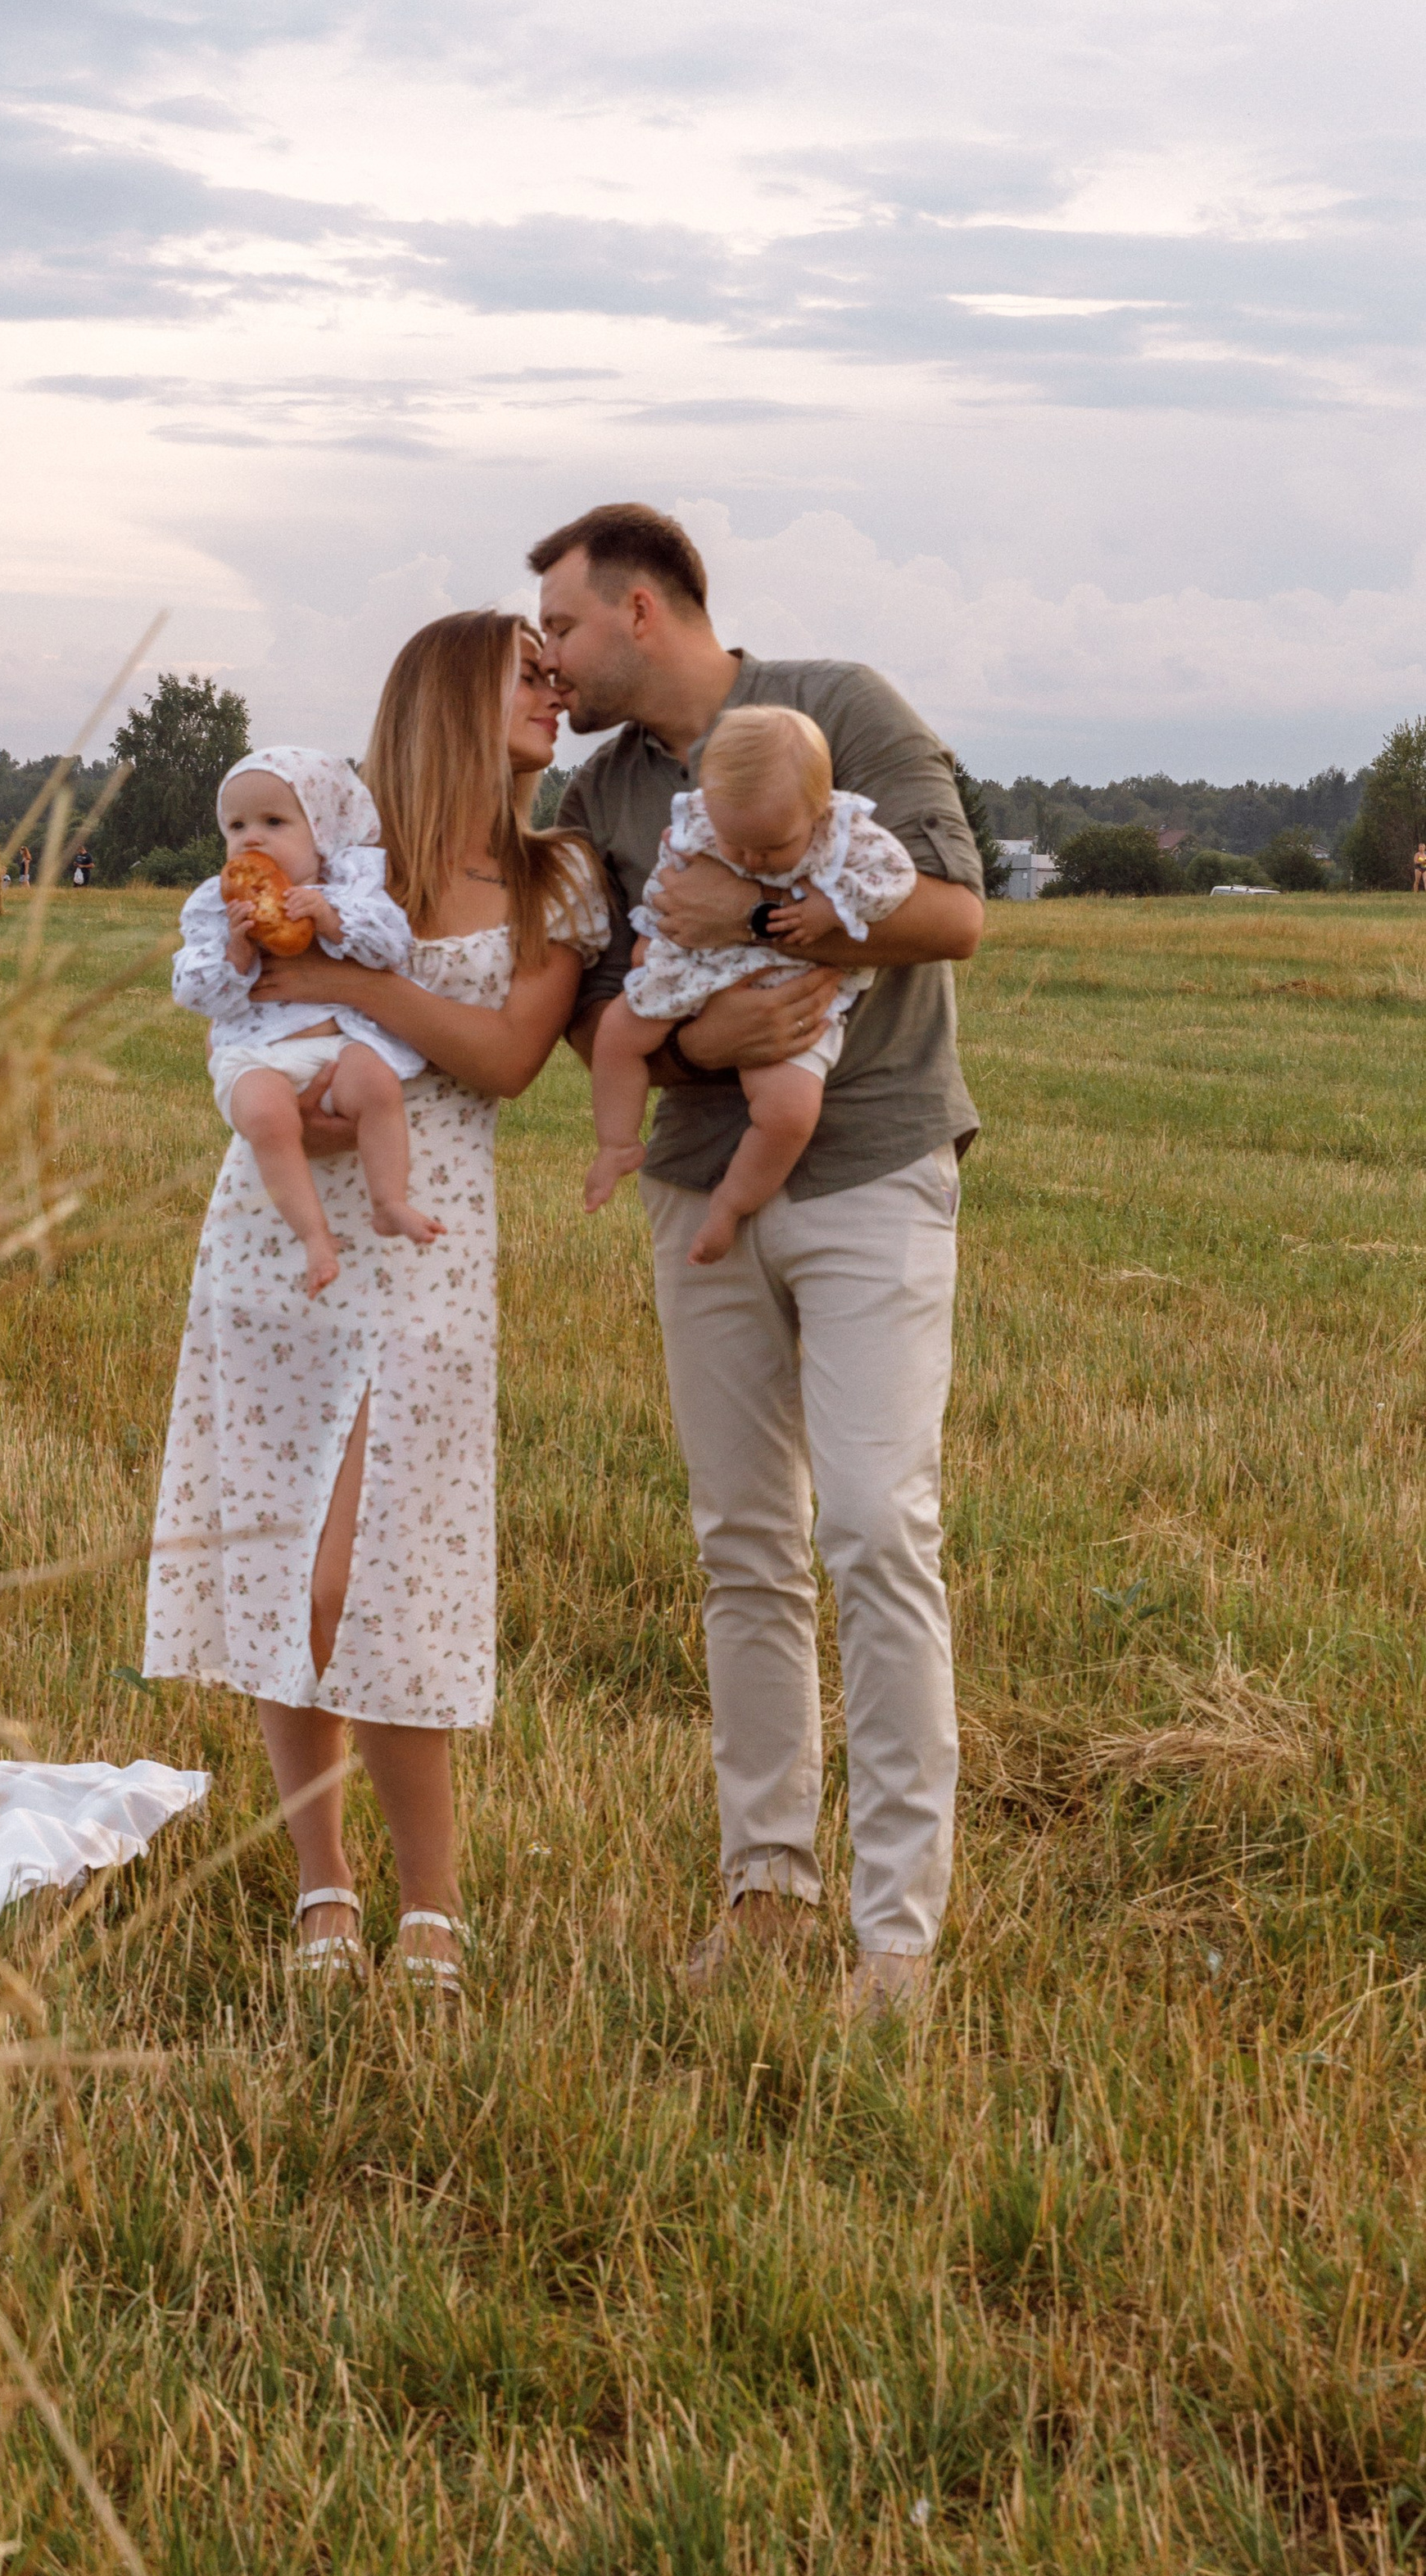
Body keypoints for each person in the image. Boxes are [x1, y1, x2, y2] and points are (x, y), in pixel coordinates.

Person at [535, 503, 984, 2019]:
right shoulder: (598, 793)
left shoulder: (840, 706)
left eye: (564, 627)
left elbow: (953, 914)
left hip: (871, 1166)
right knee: (742, 1541)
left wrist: (764, 919)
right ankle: (767, 1893)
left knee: (873, 1525)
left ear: (643, 608)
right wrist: (702, 1040)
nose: (551, 657)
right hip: (693, 1184)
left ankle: (897, 1937)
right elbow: (599, 1006)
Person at [144, 619, 606, 1998]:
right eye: (527, 673)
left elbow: (506, 1057)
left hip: (427, 1243)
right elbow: (243, 1003)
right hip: (277, 1244)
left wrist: (346, 984)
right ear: (450, 698)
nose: (555, 691)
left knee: (376, 1574)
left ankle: (434, 1907)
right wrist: (289, 1059)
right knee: (290, 1568)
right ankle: (325, 1889)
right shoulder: (345, 853)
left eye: (556, 671)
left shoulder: (558, 875)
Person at [583, 703, 917, 1264]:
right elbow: (670, 879)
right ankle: (616, 1143)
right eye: (736, 845)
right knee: (616, 1033)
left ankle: (731, 1204)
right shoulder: (702, 819)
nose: (751, 859)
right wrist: (652, 931)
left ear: (818, 809)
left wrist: (832, 908)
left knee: (789, 1113)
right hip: (694, 962)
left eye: (772, 848)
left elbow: (897, 878)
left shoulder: (848, 833)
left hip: (785, 982)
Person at [170, 748, 440, 1299]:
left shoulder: (349, 891)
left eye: (274, 822)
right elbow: (192, 991)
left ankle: (389, 1200)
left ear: (321, 833)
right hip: (256, 1054)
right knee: (267, 1117)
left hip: (338, 1045)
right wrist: (236, 953)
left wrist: (331, 920)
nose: (251, 838)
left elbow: (392, 948)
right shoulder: (215, 908)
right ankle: (315, 1236)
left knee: (377, 1083)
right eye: (236, 826)